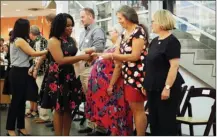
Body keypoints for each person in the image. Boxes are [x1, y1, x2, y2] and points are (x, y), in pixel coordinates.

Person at [97, 5, 149, 136]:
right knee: (133, 108)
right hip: (128, 76)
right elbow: (118, 57)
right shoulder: (124, 34)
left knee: (138, 109)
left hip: (138, 76)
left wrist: (112, 56)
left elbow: (135, 56)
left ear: (128, 17)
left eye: (120, 18)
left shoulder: (138, 32)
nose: (119, 21)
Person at [40, 13, 91, 136]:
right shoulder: (53, 41)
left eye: (71, 25)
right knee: (59, 109)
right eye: (67, 26)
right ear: (60, 26)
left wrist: (86, 54)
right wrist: (81, 57)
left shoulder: (71, 40)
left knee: (69, 108)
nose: (70, 28)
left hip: (70, 76)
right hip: (58, 78)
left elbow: (75, 55)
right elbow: (60, 60)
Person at [86, 24, 134, 136]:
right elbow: (109, 57)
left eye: (111, 31)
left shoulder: (120, 45)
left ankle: (117, 133)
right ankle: (111, 131)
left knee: (116, 111)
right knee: (111, 112)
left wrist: (111, 84)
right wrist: (98, 55)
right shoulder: (115, 45)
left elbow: (118, 66)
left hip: (113, 83)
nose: (109, 34)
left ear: (117, 33)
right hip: (104, 85)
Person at [143, 9, 185, 136]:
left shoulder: (172, 42)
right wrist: (145, 84)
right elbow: (149, 64)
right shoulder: (154, 41)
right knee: (154, 121)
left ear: (161, 23)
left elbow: (174, 66)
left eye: (153, 21)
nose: (152, 24)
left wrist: (167, 87)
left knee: (166, 122)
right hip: (152, 87)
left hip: (166, 88)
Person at [6, 18, 47, 136]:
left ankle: (21, 126)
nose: (29, 29)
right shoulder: (19, 40)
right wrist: (48, 50)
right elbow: (33, 53)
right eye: (28, 27)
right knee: (16, 101)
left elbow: (29, 56)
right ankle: (10, 128)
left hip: (23, 71)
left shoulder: (22, 40)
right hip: (17, 72)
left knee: (22, 101)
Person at [78, 7, 106, 134]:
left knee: (96, 97)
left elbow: (99, 47)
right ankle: (90, 124)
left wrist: (84, 51)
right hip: (83, 68)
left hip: (92, 68)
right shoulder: (83, 32)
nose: (81, 19)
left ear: (90, 16)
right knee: (88, 98)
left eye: (83, 17)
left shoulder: (97, 30)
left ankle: (100, 128)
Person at [33, 13, 56, 125]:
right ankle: (47, 116)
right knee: (43, 93)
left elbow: (42, 55)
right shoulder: (46, 38)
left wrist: (36, 67)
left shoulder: (43, 40)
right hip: (48, 68)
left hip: (46, 69)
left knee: (44, 93)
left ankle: (46, 116)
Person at [25, 25, 48, 118]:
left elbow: (42, 56)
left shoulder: (40, 40)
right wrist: (32, 67)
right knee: (38, 91)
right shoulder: (38, 40)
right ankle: (41, 114)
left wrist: (35, 69)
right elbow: (36, 58)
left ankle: (44, 116)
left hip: (42, 70)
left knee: (41, 92)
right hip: (39, 69)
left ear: (31, 33)